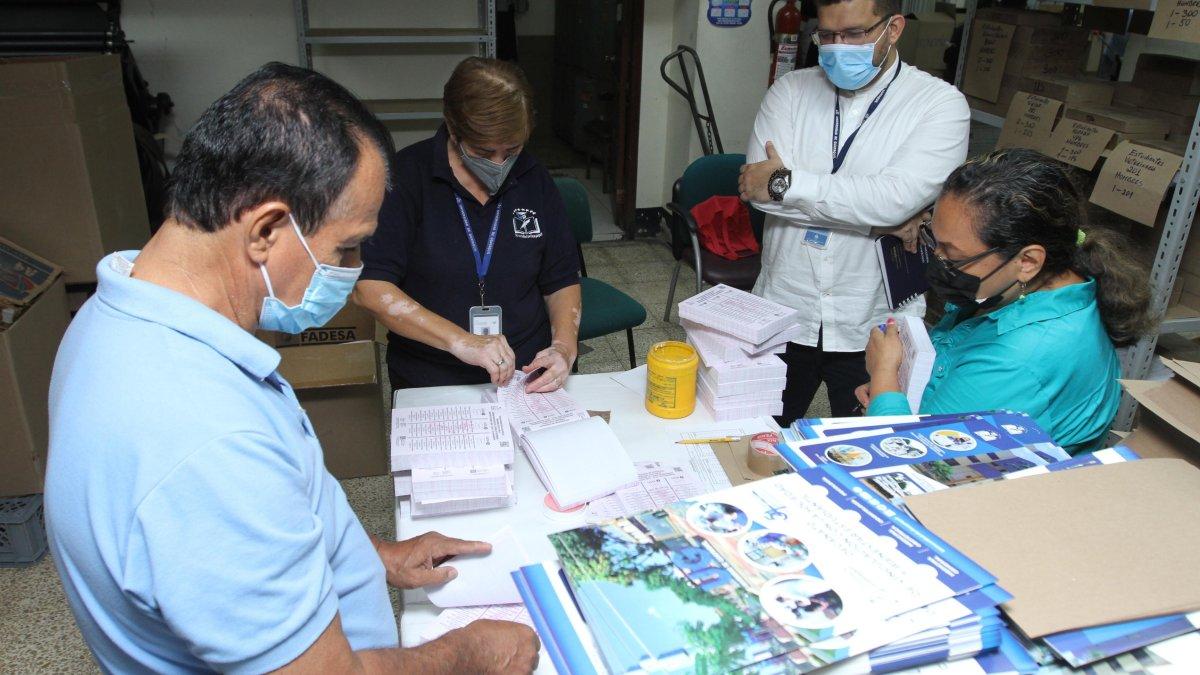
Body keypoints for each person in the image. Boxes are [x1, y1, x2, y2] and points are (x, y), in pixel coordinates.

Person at [44, 63, 538, 673]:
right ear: (267, 229)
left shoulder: (116, 311)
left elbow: (242, 545)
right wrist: (470, 652)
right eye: (346, 249)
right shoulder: (207, 439)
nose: (354, 272)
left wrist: (372, 557)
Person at [737, 0, 970, 421]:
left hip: (874, 322)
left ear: (893, 28)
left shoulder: (939, 104)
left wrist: (787, 184)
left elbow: (892, 199)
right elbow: (758, 192)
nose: (838, 47)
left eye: (855, 34)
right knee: (759, 438)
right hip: (787, 307)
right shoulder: (789, 92)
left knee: (868, 448)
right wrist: (879, 221)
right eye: (826, 36)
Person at [861, 149, 1156, 455]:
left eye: (954, 254)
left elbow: (914, 457)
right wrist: (895, 391)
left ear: (1027, 260)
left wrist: (883, 377)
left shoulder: (1020, 357)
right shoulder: (1030, 284)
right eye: (934, 240)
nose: (937, 259)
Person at [357, 57, 581, 392]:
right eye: (483, 151)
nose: (499, 164)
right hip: (433, 370)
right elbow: (370, 288)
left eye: (512, 151)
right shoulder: (405, 178)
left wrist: (563, 347)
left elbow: (561, 279)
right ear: (452, 126)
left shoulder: (533, 178)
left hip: (524, 371)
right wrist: (462, 341)